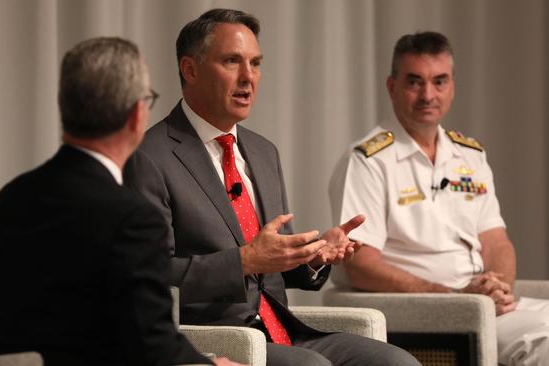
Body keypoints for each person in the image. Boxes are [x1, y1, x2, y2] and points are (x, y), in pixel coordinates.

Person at [124, 8, 420, 366]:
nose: (249, 77)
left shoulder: (263, 152)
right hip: (217, 338)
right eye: (232, 61)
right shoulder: (150, 157)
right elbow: (148, 277)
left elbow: (276, 261)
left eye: (256, 63)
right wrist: (243, 261)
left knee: (397, 363)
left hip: (284, 329)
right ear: (190, 70)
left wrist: (313, 255)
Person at [0, 37, 240, 366]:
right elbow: (153, 346)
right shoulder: (132, 217)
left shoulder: (11, 197)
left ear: (64, 107)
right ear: (136, 115)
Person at [329, 31, 549, 365]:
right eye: (415, 82)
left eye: (440, 81)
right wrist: (455, 298)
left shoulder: (469, 154)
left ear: (453, 86)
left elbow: (496, 242)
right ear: (392, 87)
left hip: (481, 304)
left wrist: (497, 287)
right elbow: (360, 265)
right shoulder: (368, 160)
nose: (428, 94)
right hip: (430, 311)